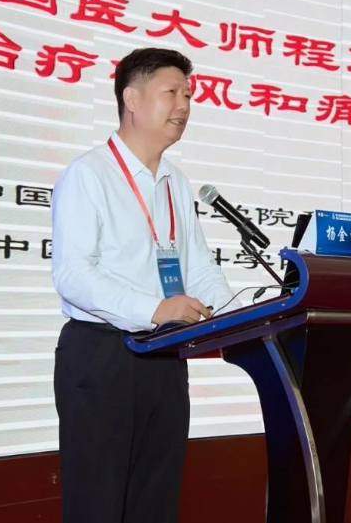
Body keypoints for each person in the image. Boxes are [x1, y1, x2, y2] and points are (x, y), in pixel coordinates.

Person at [50, 48, 238, 523]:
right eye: (172, 92)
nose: (184, 105)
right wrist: (154, 308)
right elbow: (73, 274)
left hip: (165, 358)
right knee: (97, 506)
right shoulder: (89, 174)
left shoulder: (176, 181)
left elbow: (199, 268)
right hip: (101, 358)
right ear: (131, 99)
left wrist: (236, 315)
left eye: (188, 95)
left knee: (155, 503)